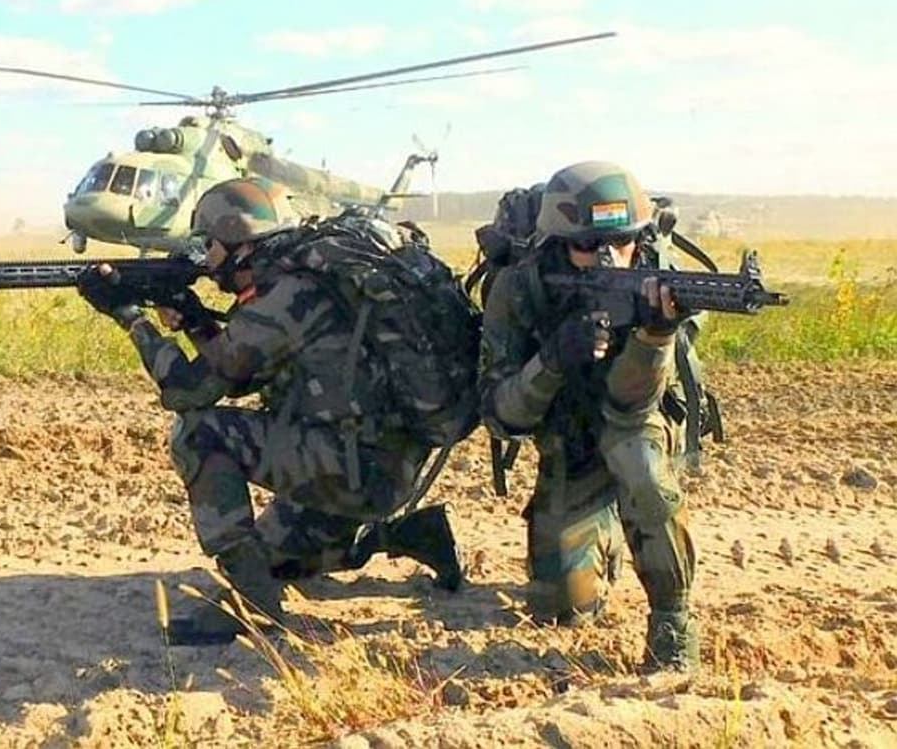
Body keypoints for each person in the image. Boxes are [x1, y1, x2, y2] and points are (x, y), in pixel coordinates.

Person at [78, 177, 462, 646]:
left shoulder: (286, 297)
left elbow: (188, 392)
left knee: (199, 434)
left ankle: (251, 606)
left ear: (241, 246)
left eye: (208, 245)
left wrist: (131, 318)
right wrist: (195, 319)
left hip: (353, 468)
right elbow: (242, 375)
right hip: (380, 463)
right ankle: (411, 534)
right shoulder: (309, 279)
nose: (204, 259)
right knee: (278, 561)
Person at [478, 161, 699, 671]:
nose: (609, 257)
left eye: (623, 241)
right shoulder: (522, 287)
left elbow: (634, 406)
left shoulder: (662, 281)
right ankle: (601, 527)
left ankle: (673, 623)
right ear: (558, 243)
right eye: (586, 245)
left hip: (634, 424)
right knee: (562, 609)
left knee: (641, 466)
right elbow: (501, 416)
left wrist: (654, 337)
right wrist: (552, 360)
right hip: (570, 439)